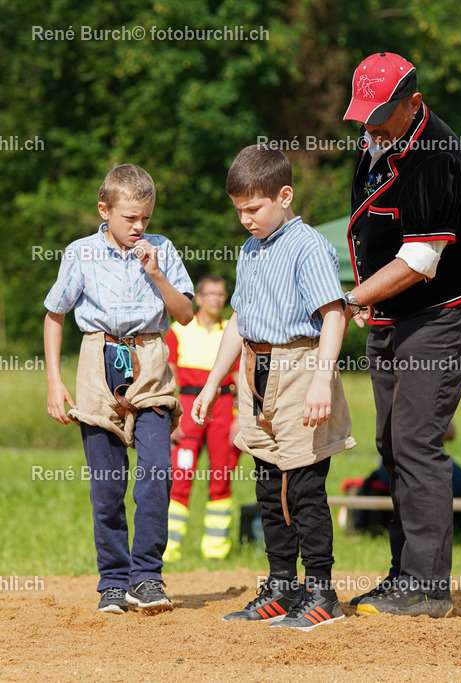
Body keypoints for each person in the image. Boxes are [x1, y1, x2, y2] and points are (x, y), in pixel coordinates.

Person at [341, 52, 461, 618]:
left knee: (415, 441)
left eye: (381, 115)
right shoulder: (378, 140)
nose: (370, 127)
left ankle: (428, 588)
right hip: (391, 310)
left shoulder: (439, 158)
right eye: (364, 116)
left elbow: (420, 260)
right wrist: (367, 299)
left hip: (440, 309)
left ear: (416, 103)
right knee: (388, 441)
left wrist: (352, 297)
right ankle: (403, 574)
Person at [192, 144, 355, 631]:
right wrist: (210, 385)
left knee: (303, 487)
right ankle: (281, 586)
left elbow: (333, 314)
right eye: (238, 209)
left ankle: (321, 592)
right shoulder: (250, 249)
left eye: (254, 208)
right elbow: (239, 319)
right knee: (268, 486)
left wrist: (322, 380)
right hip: (254, 371)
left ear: (284, 196)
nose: (245, 218)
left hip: (302, 368)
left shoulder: (308, 247)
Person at [43, 163, 194, 614]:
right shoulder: (80, 253)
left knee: (156, 474)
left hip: (150, 360)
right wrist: (55, 380)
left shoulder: (162, 250)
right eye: (130, 218)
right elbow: (55, 314)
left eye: (145, 217)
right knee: (107, 486)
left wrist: (157, 274)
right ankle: (112, 580)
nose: (139, 226)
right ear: (104, 210)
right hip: (97, 360)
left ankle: (146, 577)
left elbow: (185, 315)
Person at [164, 274, 241, 562]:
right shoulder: (178, 331)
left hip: (223, 407)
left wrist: (240, 415)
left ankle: (216, 551)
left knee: (221, 477)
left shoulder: (232, 332)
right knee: (180, 476)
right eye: (210, 294)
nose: (216, 300)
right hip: (187, 407)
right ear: (198, 297)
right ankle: (169, 549)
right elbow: (168, 377)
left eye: (221, 295)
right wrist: (169, 418)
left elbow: (239, 375)